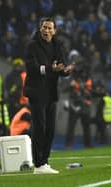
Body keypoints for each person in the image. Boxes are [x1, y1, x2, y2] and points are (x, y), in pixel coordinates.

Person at [24, 17, 74, 174]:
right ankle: (38, 164)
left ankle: (44, 162)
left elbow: (60, 66)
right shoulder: (32, 45)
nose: (46, 30)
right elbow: (32, 68)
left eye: (49, 28)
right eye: (44, 27)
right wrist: (50, 69)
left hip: (51, 92)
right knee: (40, 128)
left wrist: (65, 71)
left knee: (50, 129)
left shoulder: (57, 45)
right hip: (36, 92)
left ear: (55, 31)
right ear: (40, 29)